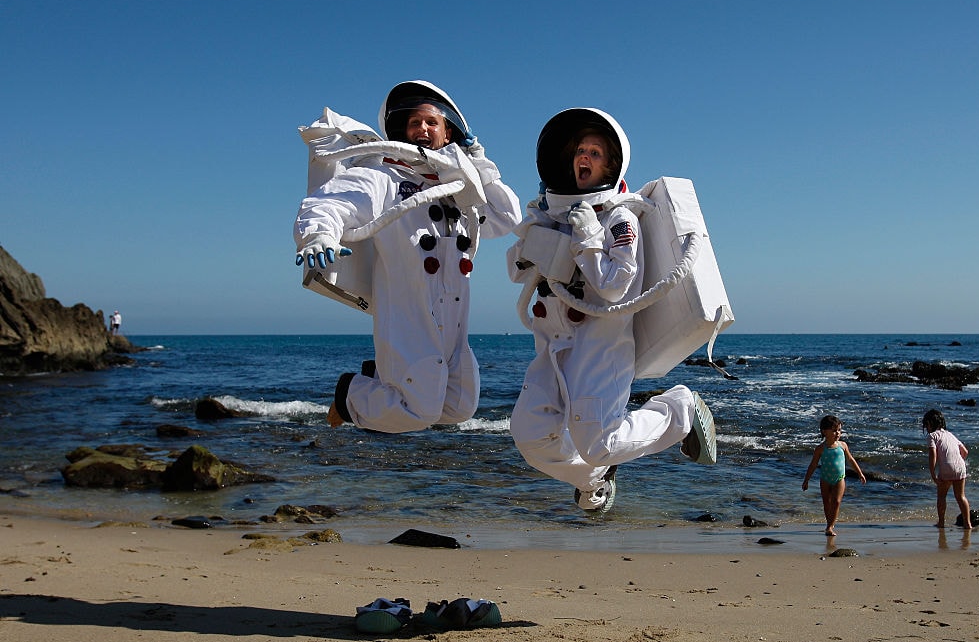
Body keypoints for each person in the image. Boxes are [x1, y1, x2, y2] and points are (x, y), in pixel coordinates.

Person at [506, 108, 716, 514]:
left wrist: (586, 235)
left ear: (612, 165)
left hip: (600, 347)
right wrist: (532, 237)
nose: (585, 157)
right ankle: (594, 481)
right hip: (552, 343)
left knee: (600, 443)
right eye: (580, 150)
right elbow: (518, 274)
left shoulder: (621, 217)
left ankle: (681, 409)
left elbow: (616, 285)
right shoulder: (554, 214)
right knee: (531, 435)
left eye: (595, 152)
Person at [294, 81, 521, 433]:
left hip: (453, 313)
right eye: (415, 123)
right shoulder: (385, 174)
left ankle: (377, 378)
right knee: (415, 410)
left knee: (460, 404)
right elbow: (333, 202)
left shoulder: (460, 185)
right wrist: (318, 234)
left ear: (449, 134)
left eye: (432, 122)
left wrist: (477, 160)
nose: (422, 129)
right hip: (406, 307)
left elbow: (507, 217)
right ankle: (348, 395)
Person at [802, 414, 867, 536]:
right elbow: (813, 465)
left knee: (836, 502)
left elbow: (851, 460)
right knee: (826, 502)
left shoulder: (843, 446)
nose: (837, 433)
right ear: (824, 432)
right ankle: (828, 524)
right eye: (834, 430)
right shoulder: (820, 448)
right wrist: (806, 480)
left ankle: (831, 526)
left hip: (839, 479)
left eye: (839, 430)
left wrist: (860, 473)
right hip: (825, 479)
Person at [922, 408, 971, 529]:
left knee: (941, 496)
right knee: (961, 497)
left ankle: (941, 522)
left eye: (926, 425)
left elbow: (933, 454)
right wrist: (958, 462)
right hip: (960, 467)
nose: (926, 429)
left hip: (946, 469)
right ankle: (968, 523)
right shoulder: (951, 435)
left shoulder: (932, 436)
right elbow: (965, 451)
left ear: (930, 424)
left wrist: (933, 473)